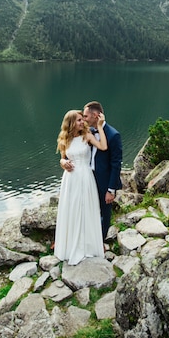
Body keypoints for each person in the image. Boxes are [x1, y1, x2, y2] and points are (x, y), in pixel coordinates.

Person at [61, 101, 123, 241]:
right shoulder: (84, 132)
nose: (84, 119)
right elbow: (67, 153)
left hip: (102, 181)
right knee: (82, 209)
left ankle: (99, 242)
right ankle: (78, 238)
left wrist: (111, 189)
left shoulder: (113, 135)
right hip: (84, 177)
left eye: (86, 116)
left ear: (95, 116)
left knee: (103, 212)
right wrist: (63, 161)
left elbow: (116, 164)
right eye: (81, 118)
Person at [54, 109, 108, 265]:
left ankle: (88, 245)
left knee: (86, 209)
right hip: (71, 179)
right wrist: (63, 163)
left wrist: (99, 126)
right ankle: (70, 245)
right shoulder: (65, 139)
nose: (82, 122)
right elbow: (62, 159)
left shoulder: (87, 135)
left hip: (85, 176)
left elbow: (103, 146)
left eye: (82, 119)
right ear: (71, 123)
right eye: (78, 120)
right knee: (72, 209)